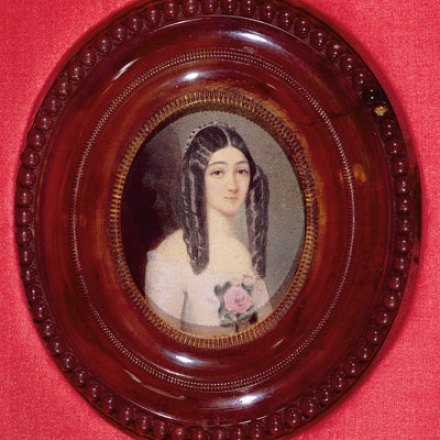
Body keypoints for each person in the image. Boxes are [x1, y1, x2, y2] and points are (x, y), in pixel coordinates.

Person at [144, 122, 271, 335]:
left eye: (241, 171)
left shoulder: (243, 252)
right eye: (218, 172)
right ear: (197, 179)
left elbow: (265, 332)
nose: (233, 185)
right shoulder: (170, 255)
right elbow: (162, 344)